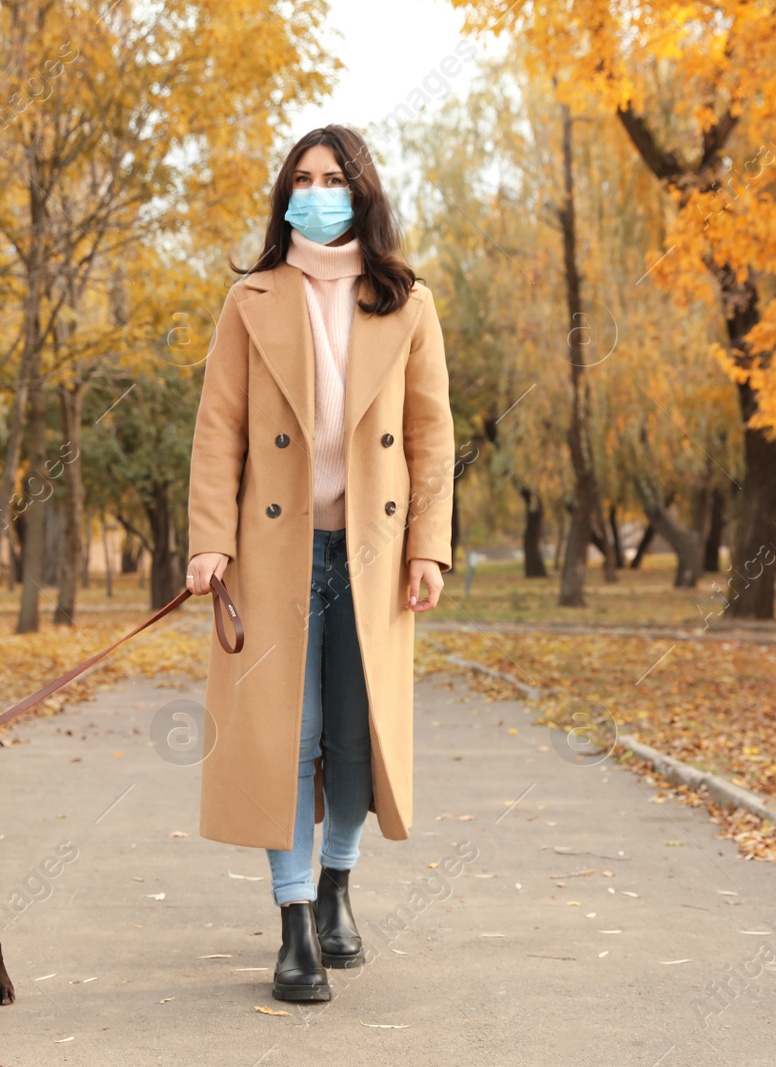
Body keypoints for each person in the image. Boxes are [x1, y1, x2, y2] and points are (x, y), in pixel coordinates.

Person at [184, 124, 455, 1003]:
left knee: (351, 737)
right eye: (302, 178)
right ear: (285, 194)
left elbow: (430, 437)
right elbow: (219, 426)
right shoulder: (253, 298)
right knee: (283, 739)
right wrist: (209, 539)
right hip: (274, 554)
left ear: (362, 190)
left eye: (333, 177)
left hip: (371, 557)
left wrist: (429, 546)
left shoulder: (406, 301)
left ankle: (338, 885)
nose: (317, 191)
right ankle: (295, 921)